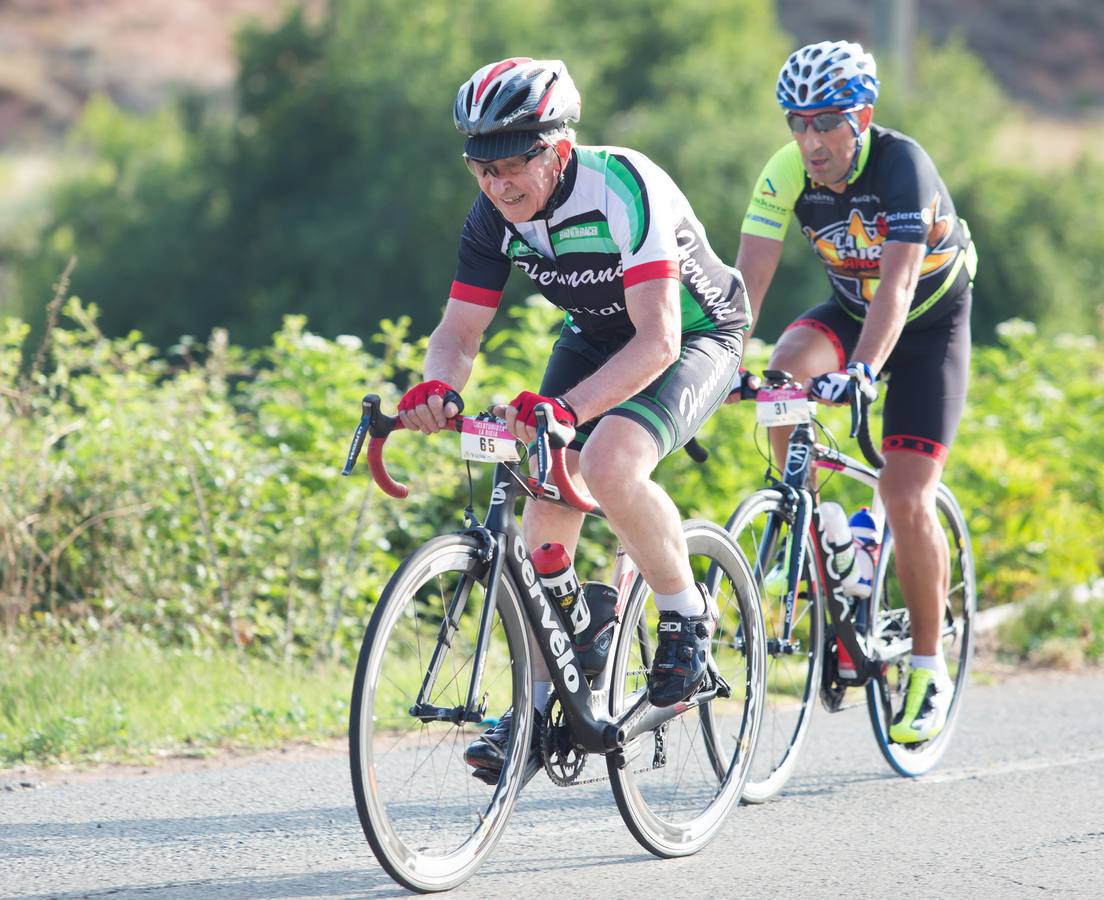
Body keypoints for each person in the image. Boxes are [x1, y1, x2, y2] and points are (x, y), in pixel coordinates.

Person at [396, 57, 750, 782]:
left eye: (512, 165)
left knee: (611, 461)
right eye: (480, 168)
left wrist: (567, 410)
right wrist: (433, 389)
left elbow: (658, 340)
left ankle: (685, 616)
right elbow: (459, 334)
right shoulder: (492, 216)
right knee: (541, 502)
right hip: (594, 336)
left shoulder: (624, 185)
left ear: (558, 150)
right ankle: (547, 689)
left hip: (694, 333)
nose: (497, 185)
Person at [736, 41, 976, 743]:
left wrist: (866, 370)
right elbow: (745, 287)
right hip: (850, 307)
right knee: (782, 371)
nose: (809, 141)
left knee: (906, 496)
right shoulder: (785, 173)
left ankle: (928, 670)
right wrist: (721, 360)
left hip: (928, 323)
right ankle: (823, 530)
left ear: (860, 116)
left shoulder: (902, 166)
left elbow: (899, 287)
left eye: (824, 123)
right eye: (796, 123)